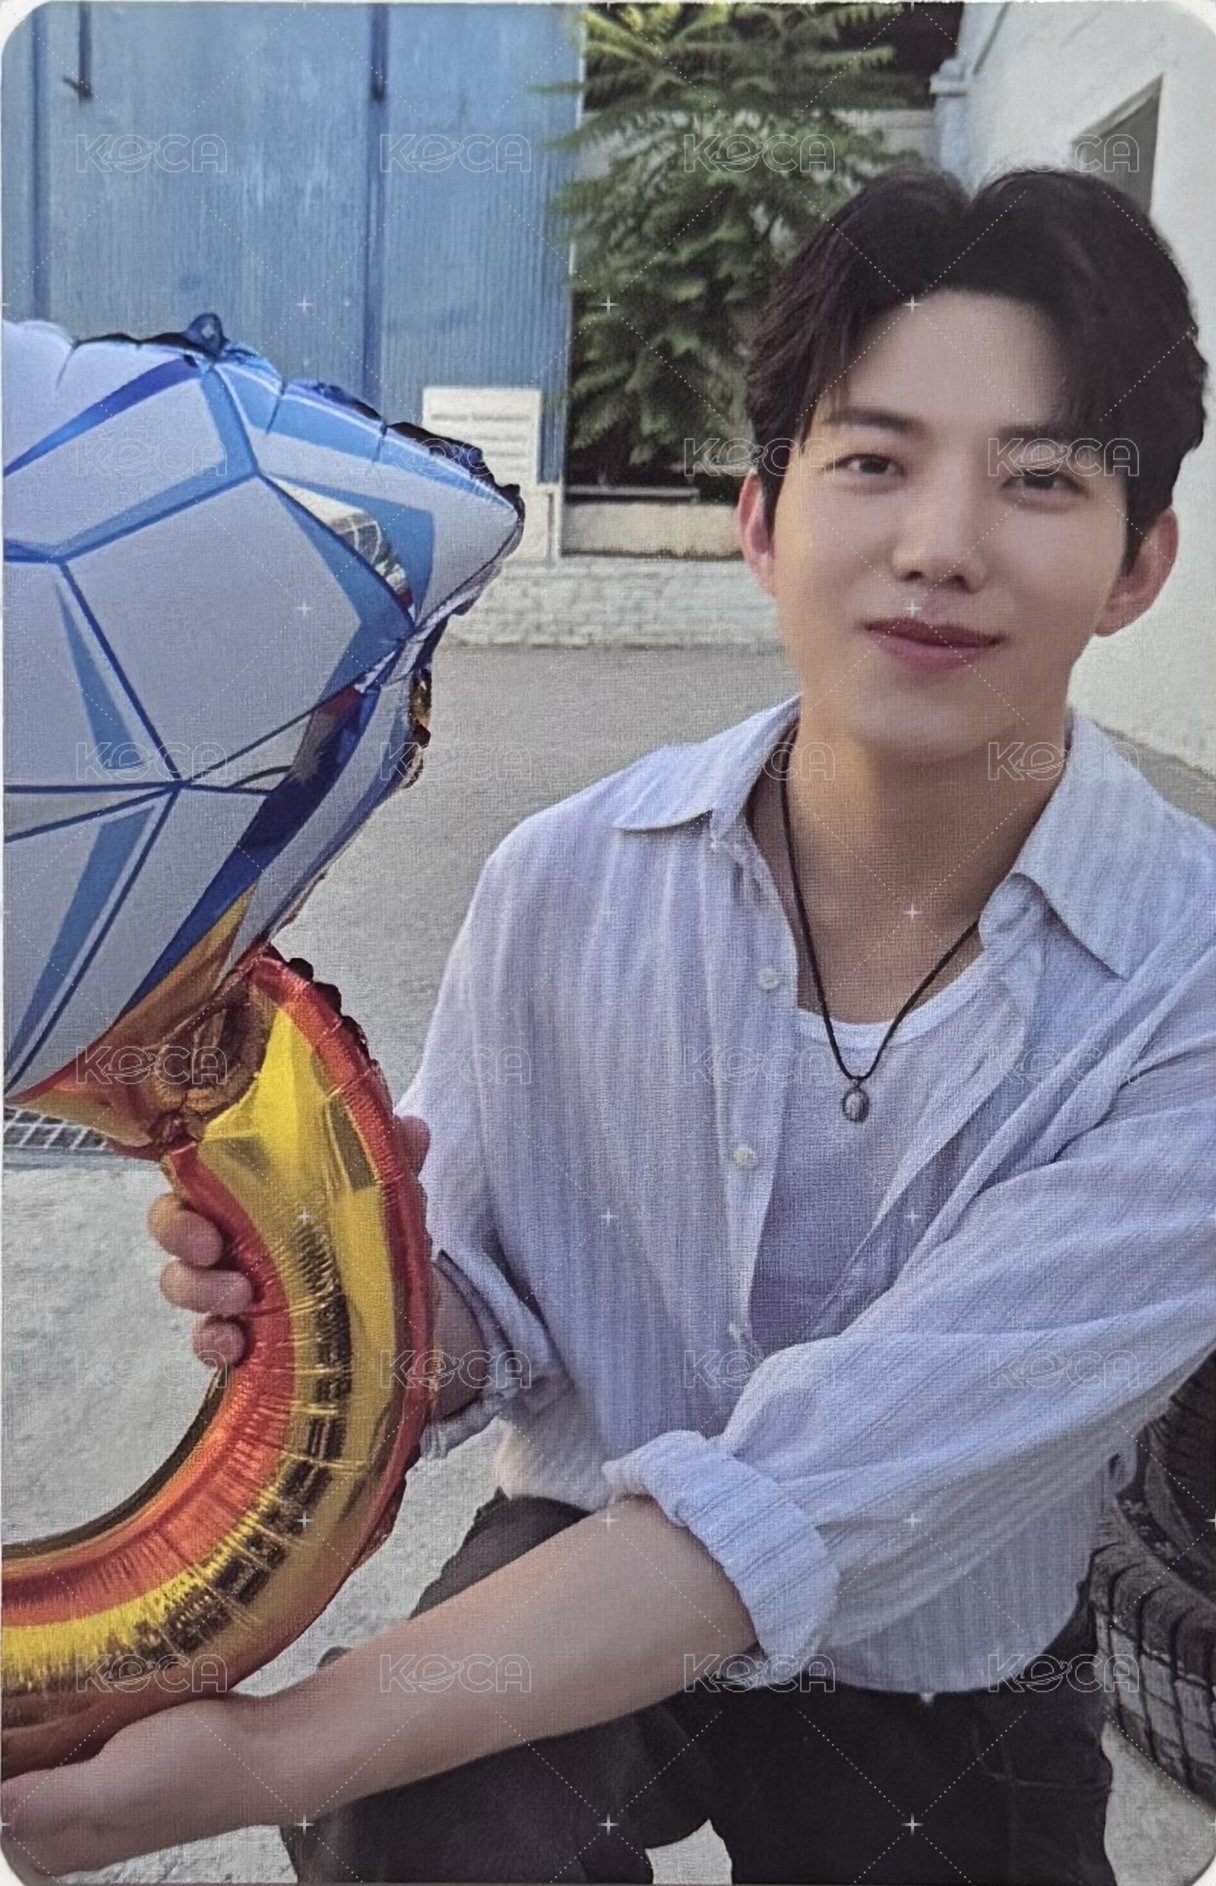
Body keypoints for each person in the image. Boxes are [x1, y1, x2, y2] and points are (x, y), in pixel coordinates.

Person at [5, 163, 1215, 1884]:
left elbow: (817, 1497)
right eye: (873, 461)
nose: (941, 544)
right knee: (409, 1831)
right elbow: (488, 1310)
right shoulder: (567, 878)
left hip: (943, 1655)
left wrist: (263, 1753)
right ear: (761, 519)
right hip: (571, 1551)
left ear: (1138, 561)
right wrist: (353, 1306)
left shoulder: (1189, 984)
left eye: (1039, 479)